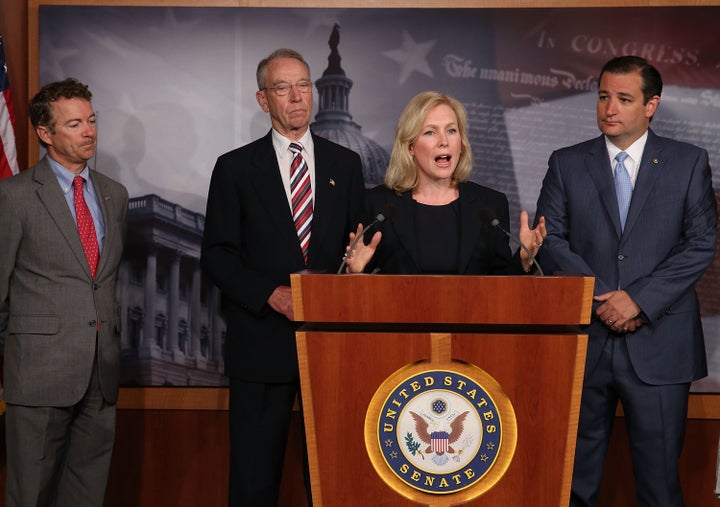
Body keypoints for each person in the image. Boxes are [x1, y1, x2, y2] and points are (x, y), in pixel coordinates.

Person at [534, 55, 717, 506]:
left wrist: (636, 300)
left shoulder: (688, 163)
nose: (608, 108)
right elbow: (549, 239)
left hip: (659, 346)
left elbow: (699, 244)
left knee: (659, 489)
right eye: (602, 96)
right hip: (585, 344)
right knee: (573, 485)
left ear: (651, 105)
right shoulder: (566, 162)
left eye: (623, 98)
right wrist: (603, 300)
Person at [201, 48, 365, 506]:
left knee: (332, 482)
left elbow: (360, 248)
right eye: (282, 88)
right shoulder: (234, 169)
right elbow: (217, 256)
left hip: (332, 348)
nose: (296, 97)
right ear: (263, 100)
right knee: (254, 484)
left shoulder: (345, 166)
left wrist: (359, 265)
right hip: (261, 347)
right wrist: (272, 295)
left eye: (303, 85)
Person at [0, 78, 129, 506]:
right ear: (45, 133)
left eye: (91, 120)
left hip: (101, 375)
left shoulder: (115, 195)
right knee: (30, 496)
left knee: (86, 496)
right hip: (37, 377)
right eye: (74, 124)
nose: (89, 131)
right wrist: (19, 355)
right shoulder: (13, 196)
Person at [344, 91, 545, 275]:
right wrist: (356, 273)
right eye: (430, 132)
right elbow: (361, 293)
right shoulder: (378, 206)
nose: (444, 141)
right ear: (410, 146)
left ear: (461, 143)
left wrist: (523, 261)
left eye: (451, 130)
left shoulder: (490, 206)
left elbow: (501, 286)